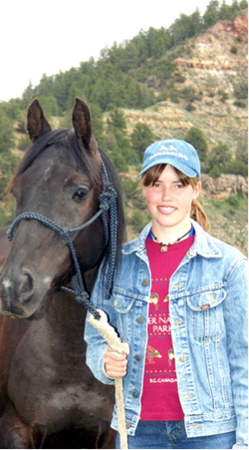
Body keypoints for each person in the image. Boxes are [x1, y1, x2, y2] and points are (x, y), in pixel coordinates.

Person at [84, 139, 248, 449]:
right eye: (156, 184)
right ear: (144, 189)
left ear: (196, 189)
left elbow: (245, 360)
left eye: (179, 185)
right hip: (138, 432)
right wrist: (104, 362)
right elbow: (94, 339)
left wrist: (245, 442)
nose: (166, 196)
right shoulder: (116, 266)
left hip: (211, 434)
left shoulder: (229, 266)